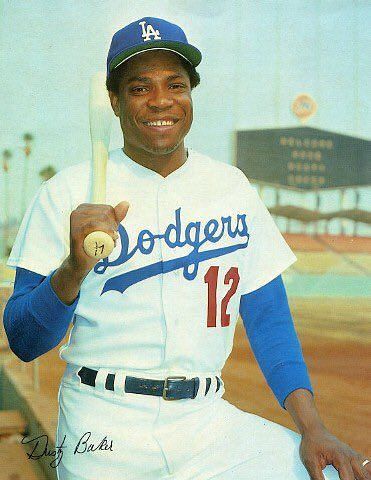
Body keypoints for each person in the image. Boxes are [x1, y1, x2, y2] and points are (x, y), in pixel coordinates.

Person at [3, 16, 370, 480]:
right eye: (140, 88)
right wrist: (72, 270)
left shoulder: (231, 187)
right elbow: (23, 340)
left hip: (208, 424)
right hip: (104, 426)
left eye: (175, 85)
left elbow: (269, 319)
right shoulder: (67, 192)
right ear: (113, 102)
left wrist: (314, 428)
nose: (161, 101)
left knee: (336, 474)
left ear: (191, 95)